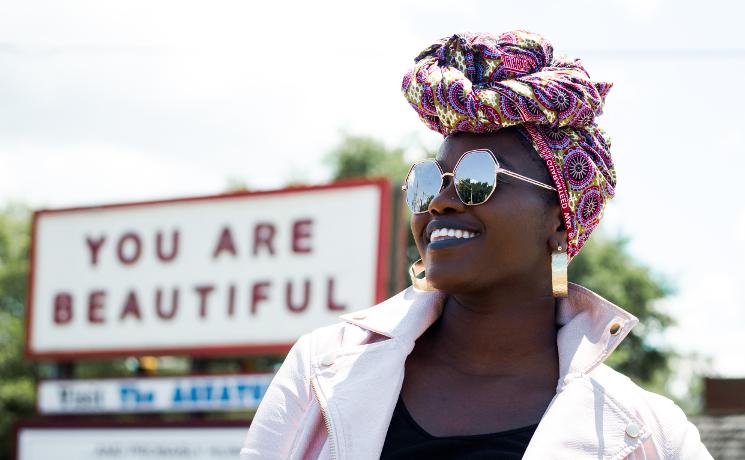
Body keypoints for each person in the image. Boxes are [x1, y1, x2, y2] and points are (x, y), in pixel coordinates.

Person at [240, 30, 713, 459]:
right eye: (431, 179)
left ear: (560, 221)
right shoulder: (321, 370)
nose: (440, 202)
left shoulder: (649, 433)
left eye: (477, 178)